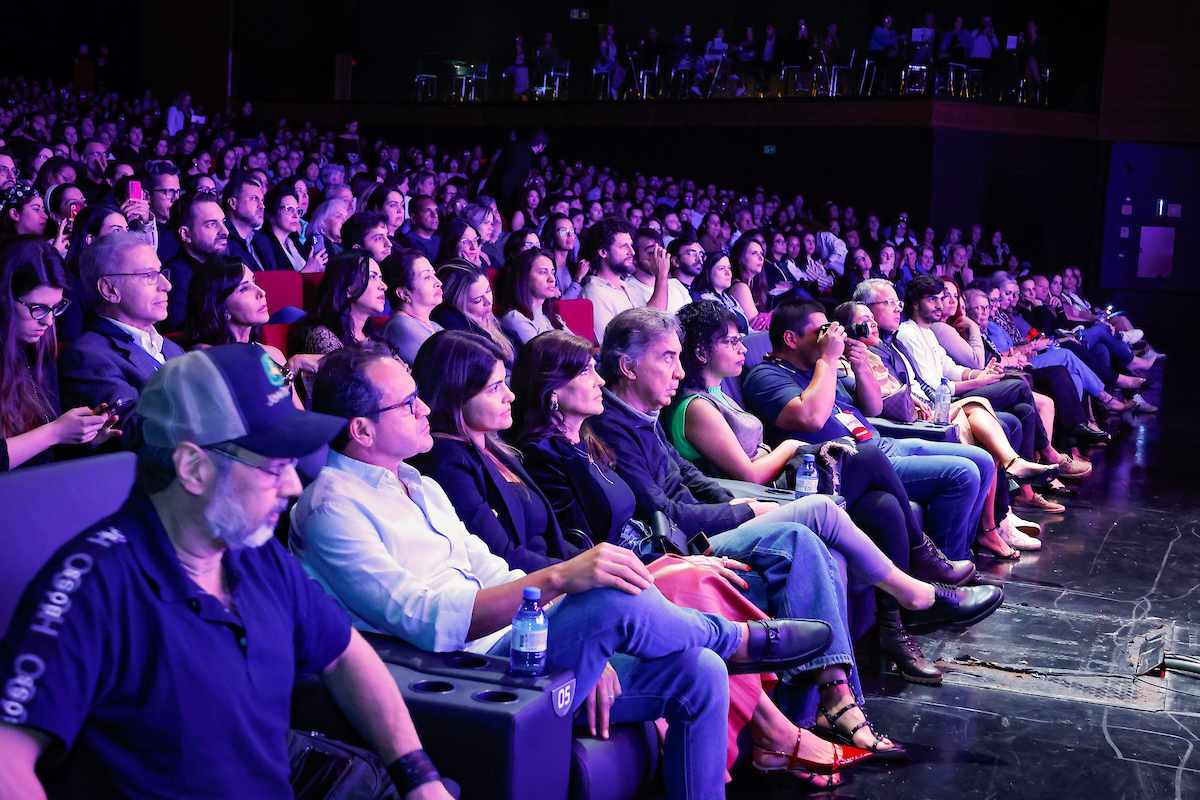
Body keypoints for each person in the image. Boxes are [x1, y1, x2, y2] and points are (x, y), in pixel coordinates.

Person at [293, 340, 845, 800]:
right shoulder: (331, 509)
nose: (424, 410)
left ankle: (727, 652)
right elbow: (428, 620)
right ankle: (740, 639)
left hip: (520, 645)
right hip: (457, 676)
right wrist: (562, 581)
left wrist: (577, 634)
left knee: (700, 672)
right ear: (362, 430)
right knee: (605, 592)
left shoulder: (416, 482)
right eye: (407, 404)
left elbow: (489, 568)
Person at [0, 342, 459, 799]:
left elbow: (344, 654)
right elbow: (7, 759)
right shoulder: (90, 587)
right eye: (275, 466)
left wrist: (418, 775)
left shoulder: (251, 551)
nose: (294, 485)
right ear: (194, 468)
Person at [0, 237, 120, 470]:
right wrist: (55, 432)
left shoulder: (37, 349)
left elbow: (43, 454)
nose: (48, 321)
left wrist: (84, 439)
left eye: (55, 308)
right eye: (39, 308)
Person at [57, 231, 184, 437]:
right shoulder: (87, 356)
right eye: (149, 276)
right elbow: (136, 429)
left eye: (161, 273)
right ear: (109, 290)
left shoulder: (171, 348)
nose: (167, 285)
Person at [178, 255, 317, 402]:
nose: (261, 292)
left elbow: (298, 416)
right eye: (244, 289)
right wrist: (292, 367)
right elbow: (253, 410)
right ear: (220, 307)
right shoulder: (206, 356)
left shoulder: (272, 353)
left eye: (255, 282)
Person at [581, 215, 666, 343]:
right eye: (623, 246)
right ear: (603, 252)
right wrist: (662, 275)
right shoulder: (594, 292)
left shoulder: (627, 287)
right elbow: (610, 346)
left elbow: (653, 321)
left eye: (631, 245)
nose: (631, 251)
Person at [291, 251, 387, 356]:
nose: (383, 286)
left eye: (380, 278)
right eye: (372, 277)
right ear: (347, 287)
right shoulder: (324, 336)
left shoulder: (374, 335)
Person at [164, 189, 230, 330]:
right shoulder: (176, 275)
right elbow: (179, 333)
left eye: (223, 222)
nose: (225, 231)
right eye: (211, 224)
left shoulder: (225, 266)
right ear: (186, 234)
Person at [431, 262, 516, 364]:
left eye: (488, 291)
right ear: (458, 304)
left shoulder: (492, 320)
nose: (488, 301)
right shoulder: (464, 334)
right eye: (477, 300)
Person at [380, 249, 444, 366]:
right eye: (427, 277)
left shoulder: (433, 324)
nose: (438, 282)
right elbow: (449, 370)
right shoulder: (400, 324)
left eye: (434, 274)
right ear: (404, 294)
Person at [499, 247, 563, 344]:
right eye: (543, 272)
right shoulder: (515, 318)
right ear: (524, 277)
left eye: (552, 273)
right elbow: (545, 356)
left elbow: (579, 348)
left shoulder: (552, 316)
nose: (552, 279)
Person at [222, 173, 276, 273]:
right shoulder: (222, 243)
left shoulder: (263, 239)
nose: (262, 206)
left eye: (262, 200)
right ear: (233, 203)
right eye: (254, 198)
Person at [540, 212, 587, 299]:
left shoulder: (575, 267)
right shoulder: (546, 270)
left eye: (572, 230)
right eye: (563, 231)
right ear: (551, 237)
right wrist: (577, 280)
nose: (570, 235)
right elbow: (562, 306)